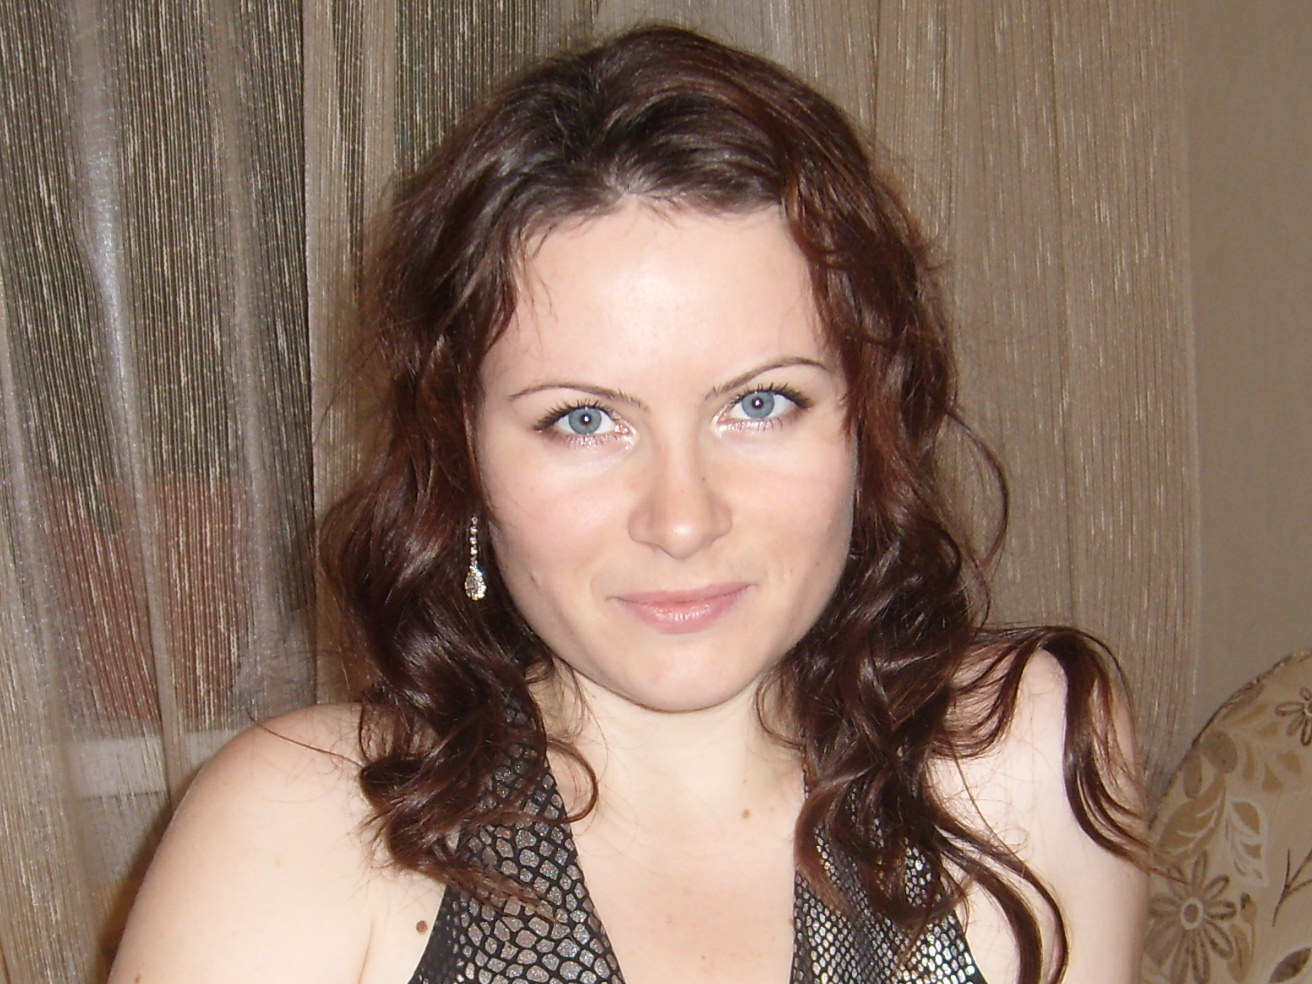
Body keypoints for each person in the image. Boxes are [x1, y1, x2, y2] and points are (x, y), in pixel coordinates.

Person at [109, 25, 1147, 984]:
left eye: (759, 403)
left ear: (870, 421)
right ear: (461, 455)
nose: (682, 520)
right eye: (583, 420)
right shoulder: (300, 829)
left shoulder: (1019, 755)